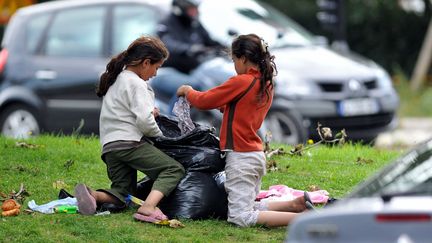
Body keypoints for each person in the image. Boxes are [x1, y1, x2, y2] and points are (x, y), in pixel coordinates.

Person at [176, 34, 311, 227]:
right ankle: (293, 204)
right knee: (250, 205)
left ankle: (303, 220)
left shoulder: (241, 81)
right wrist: (224, 106)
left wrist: (188, 92)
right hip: (255, 154)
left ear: (243, 59)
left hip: (241, 158)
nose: (234, 65)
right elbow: (240, 109)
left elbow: (205, 100)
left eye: (234, 60)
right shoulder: (266, 83)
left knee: (241, 217)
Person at [74, 36, 185, 222]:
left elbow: (127, 112)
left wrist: (151, 114)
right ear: (146, 63)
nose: (155, 74)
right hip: (129, 144)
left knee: (123, 193)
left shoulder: (117, 80)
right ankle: (148, 207)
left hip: (110, 148)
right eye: (156, 67)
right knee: (173, 169)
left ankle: (92, 194)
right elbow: (144, 121)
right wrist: (162, 137)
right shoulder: (137, 83)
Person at [157, 0, 223, 74]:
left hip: (197, 67)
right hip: (174, 70)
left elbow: (208, 40)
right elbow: (167, 43)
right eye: (192, 9)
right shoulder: (167, 23)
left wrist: (225, 47)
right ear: (180, 9)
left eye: (196, 8)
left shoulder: (194, 23)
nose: (196, 12)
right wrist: (190, 49)